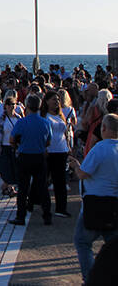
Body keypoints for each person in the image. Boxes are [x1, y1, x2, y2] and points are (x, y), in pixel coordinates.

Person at [69, 113, 118, 283]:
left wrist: (76, 166)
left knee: (82, 241)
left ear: (104, 128)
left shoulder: (99, 148)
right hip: (114, 204)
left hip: (95, 202)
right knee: (112, 244)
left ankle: (90, 278)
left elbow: (83, 174)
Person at [8, 95, 52, 226]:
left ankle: (20, 216)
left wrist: (18, 145)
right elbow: (48, 141)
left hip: (24, 155)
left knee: (23, 188)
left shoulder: (22, 122)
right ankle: (47, 215)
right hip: (39, 156)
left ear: (27, 106)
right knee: (43, 187)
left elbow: (11, 139)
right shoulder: (45, 122)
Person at [41, 91, 71, 217]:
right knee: (43, 180)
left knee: (60, 181)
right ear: (47, 101)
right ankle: (41, 205)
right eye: (54, 99)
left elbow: (65, 132)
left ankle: (61, 208)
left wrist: (69, 147)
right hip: (49, 151)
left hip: (62, 150)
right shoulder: (44, 116)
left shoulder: (60, 115)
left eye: (58, 99)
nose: (57, 101)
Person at [0, 94, 22, 197]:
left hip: (14, 147)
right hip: (2, 146)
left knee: (14, 168)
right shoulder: (0, 117)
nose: (12, 106)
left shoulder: (18, 117)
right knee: (5, 168)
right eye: (10, 104)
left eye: (14, 104)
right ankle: (9, 187)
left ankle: (6, 186)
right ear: (5, 106)